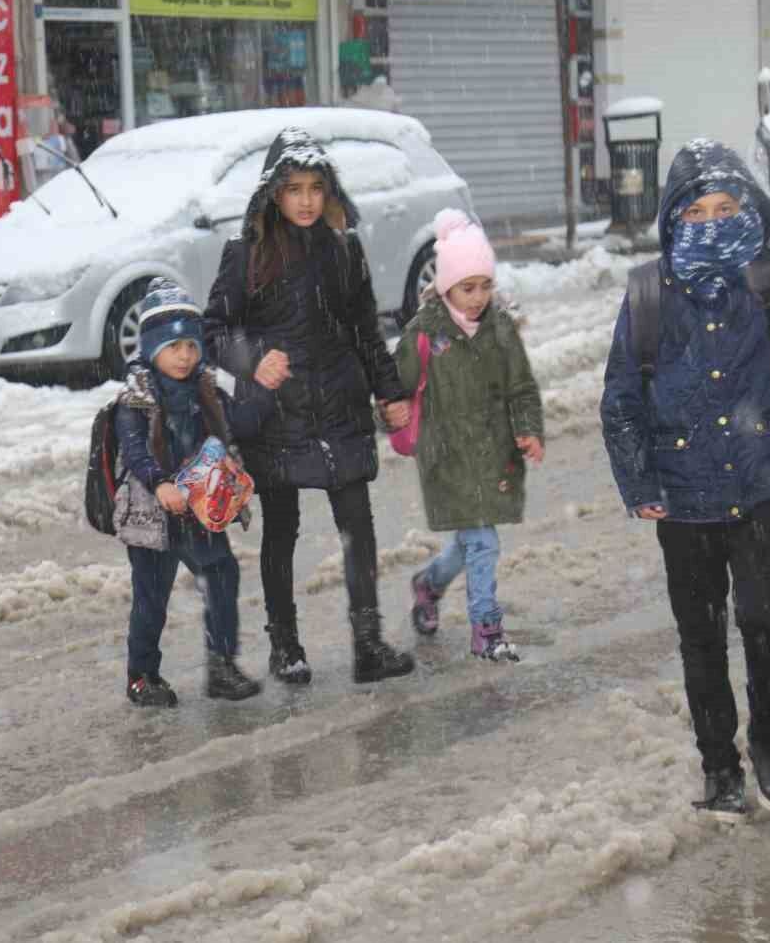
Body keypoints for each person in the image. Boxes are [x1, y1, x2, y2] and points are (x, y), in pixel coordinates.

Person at [600, 139, 770, 822]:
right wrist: (639, 483)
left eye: (726, 208)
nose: (712, 222)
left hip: (760, 482)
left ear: (747, 208)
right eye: (697, 211)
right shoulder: (649, 290)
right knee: (701, 634)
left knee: (764, 619)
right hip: (682, 495)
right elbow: (620, 396)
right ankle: (719, 768)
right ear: (674, 218)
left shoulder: (767, 274)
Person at [203, 127, 417, 685]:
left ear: (329, 191)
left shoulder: (344, 249)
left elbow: (366, 329)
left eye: (315, 188)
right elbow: (213, 332)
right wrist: (253, 360)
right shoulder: (246, 254)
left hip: (339, 404)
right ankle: (286, 645)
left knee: (357, 525)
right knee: (281, 530)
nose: (305, 201)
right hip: (276, 413)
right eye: (294, 188)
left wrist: (389, 391)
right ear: (274, 192)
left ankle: (368, 644)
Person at [112, 279, 277, 707]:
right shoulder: (136, 397)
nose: (184, 355)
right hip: (153, 517)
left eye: (190, 345)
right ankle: (142, 676)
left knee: (222, 575)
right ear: (152, 349)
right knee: (151, 597)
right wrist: (160, 482)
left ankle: (222, 666)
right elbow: (134, 450)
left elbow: (234, 426)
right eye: (173, 347)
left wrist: (262, 393)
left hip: (198, 509)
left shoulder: (205, 389)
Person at [397, 209, 544, 662]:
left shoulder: (500, 328)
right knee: (484, 542)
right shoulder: (424, 333)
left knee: (471, 542)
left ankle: (429, 584)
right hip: (447, 458)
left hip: (494, 453)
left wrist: (528, 429)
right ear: (445, 287)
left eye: (485, 285)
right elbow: (395, 390)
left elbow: (522, 386)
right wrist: (390, 413)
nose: (478, 297)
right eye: (467, 287)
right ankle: (487, 628)